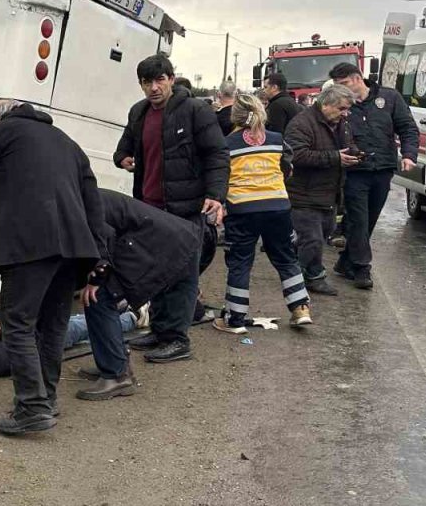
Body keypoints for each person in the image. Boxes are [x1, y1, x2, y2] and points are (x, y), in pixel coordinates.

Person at [0, 98, 104, 435]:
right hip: (74, 249)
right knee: (52, 326)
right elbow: (93, 200)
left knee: (16, 324)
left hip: (29, 246)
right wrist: (98, 256)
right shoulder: (67, 142)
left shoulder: (5, 132)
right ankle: (47, 397)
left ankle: (31, 406)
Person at [113, 54, 228, 363]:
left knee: (182, 273)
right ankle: (160, 330)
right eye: (146, 82)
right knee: (156, 271)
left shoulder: (194, 111)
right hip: (149, 207)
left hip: (185, 207)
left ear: (171, 79)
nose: (153, 88)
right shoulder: (138, 112)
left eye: (159, 80)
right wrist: (123, 158)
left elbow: (217, 154)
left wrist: (217, 194)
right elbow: (123, 148)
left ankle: (178, 338)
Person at [76, 189, 202, 397]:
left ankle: (116, 374)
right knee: (100, 295)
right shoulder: (76, 194)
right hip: (164, 238)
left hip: (164, 243)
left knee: (99, 296)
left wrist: (96, 279)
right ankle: (113, 362)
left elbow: (104, 236)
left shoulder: (75, 203)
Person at [214, 95, 313, 332]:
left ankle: (235, 319)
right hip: (277, 207)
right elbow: (287, 169)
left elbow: (221, 178)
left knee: (240, 263)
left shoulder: (226, 144)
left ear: (234, 117)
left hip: (242, 210)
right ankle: (300, 309)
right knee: (286, 258)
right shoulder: (277, 140)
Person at [330, 62, 420, 289]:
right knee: (359, 218)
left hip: (383, 168)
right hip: (355, 171)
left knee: (370, 218)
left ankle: (345, 261)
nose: (342, 89)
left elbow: (407, 127)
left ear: (357, 78)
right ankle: (362, 268)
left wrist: (409, 154)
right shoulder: (341, 105)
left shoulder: (389, 98)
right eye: (337, 85)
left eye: (344, 84)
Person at [285, 83, 358, 295]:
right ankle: (300, 279)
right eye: (342, 108)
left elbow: (346, 144)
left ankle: (299, 267)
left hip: (329, 192)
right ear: (326, 104)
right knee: (313, 240)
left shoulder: (340, 123)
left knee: (322, 235)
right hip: (303, 193)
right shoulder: (301, 123)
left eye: (347, 109)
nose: (346, 113)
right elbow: (296, 155)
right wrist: (336, 158)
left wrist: (353, 153)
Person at [0, 307, 143, 380]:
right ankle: (133, 318)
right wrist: (2, 330)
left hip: (36, 327)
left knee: (82, 321)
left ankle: (121, 312)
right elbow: (28, 350)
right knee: (90, 327)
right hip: (46, 337)